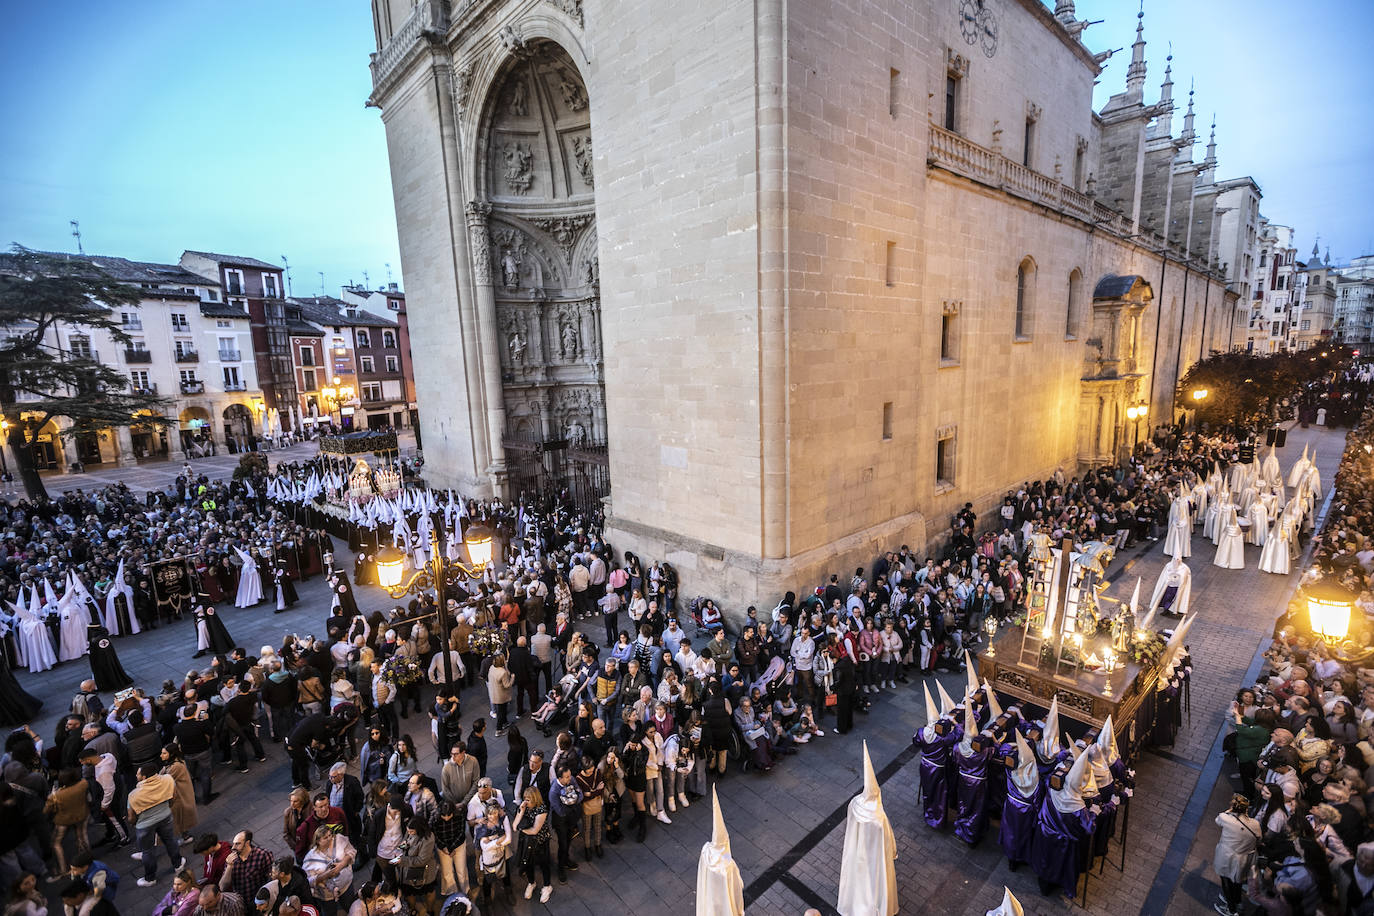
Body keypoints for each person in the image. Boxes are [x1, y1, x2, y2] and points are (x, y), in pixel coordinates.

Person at [126, 763, 184, 887]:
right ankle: (178, 865)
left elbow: (131, 817)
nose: (136, 775)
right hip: (165, 816)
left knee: (147, 851)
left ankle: (150, 878)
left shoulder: (133, 795)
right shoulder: (168, 779)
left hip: (145, 825)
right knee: (170, 840)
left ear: (144, 777)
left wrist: (135, 823)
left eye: (138, 773)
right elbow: (173, 797)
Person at [1212, 793, 1261, 916]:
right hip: (1243, 858)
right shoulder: (1255, 824)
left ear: (1233, 807)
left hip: (1226, 856)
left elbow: (1218, 819)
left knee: (1225, 880)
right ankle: (1237, 901)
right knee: (1237, 880)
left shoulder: (1225, 818)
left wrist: (1230, 810)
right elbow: (1259, 839)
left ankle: (1231, 909)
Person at [300, 827, 354, 916]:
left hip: (345, 885)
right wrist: (326, 874)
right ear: (318, 841)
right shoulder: (310, 858)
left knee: (350, 906)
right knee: (330, 913)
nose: (330, 838)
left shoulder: (339, 839)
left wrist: (341, 864)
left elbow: (351, 851)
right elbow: (308, 880)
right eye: (325, 837)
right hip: (327, 895)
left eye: (330, 835)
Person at [514, 788, 552, 904]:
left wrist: (521, 829)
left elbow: (535, 830)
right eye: (525, 799)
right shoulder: (524, 807)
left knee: (543, 863)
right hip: (527, 841)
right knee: (528, 863)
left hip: (540, 841)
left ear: (535, 799)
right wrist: (521, 810)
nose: (526, 801)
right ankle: (531, 883)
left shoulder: (542, 810)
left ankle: (547, 886)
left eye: (528, 799)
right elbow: (515, 826)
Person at [219, 832, 273, 908]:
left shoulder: (262, 855)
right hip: (242, 905)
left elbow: (272, 879)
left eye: (237, 844)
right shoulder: (231, 860)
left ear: (247, 843)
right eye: (233, 844)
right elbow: (222, 887)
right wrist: (229, 866)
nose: (233, 847)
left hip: (259, 901)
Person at [430, 801, 467, 899]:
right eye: (443, 816)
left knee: (461, 870)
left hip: (458, 844)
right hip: (443, 846)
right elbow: (435, 835)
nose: (446, 818)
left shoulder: (459, 814)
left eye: (449, 816)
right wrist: (444, 847)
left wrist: (452, 847)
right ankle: (452, 894)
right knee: (447, 871)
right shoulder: (434, 817)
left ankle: (465, 892)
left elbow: (461, 833)